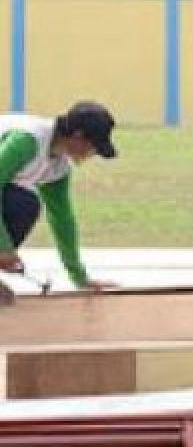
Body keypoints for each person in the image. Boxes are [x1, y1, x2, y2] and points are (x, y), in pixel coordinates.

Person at [0, 101, 119, 303]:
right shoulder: (27, 141)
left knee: (22, 204)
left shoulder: (58, 167)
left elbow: (62, 219)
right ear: (78, 137)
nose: (92, 155)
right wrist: (3, 247)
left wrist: (80, 278)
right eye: (93, 148)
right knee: (22, 203)